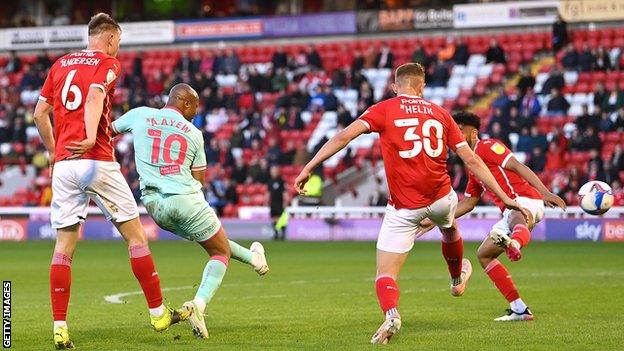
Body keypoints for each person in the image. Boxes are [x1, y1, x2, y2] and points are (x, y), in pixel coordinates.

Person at [293, 63, 528, 345]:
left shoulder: (384, 109)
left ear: (395, 86)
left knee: (385, 274)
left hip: (404, 208)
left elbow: (344, 137)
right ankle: (456, 280)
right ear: (422, 86)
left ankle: (391, 314)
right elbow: (472, 160)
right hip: (441, 198)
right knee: (449, 226)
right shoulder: (441, 114)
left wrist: (309, 166)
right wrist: (504, 197)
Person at [32, 13, 190, 349]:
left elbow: (38, 114)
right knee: (135, 238)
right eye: (118, 43)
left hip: (65, 164)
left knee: (63, 248)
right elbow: (93, 96)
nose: (118, 49)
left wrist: (54, 151)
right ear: (111, 39)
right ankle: (158, 312)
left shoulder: (60, 64)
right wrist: (90, 137)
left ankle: (60, 327)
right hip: (97, 160)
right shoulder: (107, 63)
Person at [111, 83, 269, 338]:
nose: (196, 111)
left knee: (216, 243)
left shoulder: (139, 114)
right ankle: (198, 305)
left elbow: (106, 131)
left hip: (153, 205)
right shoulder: (194, 133)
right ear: (185, 103)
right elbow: (200, 180)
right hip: (184, 199)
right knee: (219, 251)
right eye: (195, 105)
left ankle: (254, 259)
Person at [418, 111, 566, 321]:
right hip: (513, 212)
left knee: (516, 215)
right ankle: (519, 308)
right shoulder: (473, 169)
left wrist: (544, 192)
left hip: (525, 200)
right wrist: (435, 221)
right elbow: (469, 203)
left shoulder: (488, 147)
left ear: (473, 132)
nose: (456, 134)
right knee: (484, 254)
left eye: (460, 129)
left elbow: (517, 166)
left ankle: (514, 243)